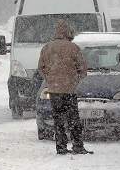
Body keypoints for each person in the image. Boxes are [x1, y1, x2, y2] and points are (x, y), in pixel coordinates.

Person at [38, 20, 91, 155]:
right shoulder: (73, 48)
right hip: (69, 90)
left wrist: (50, 79)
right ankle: (77, 145)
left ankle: (61, 146)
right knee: (73, 118)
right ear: (68, 32)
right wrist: (75, 80)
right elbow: (83, 68)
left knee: (58, 119)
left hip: (54, 90)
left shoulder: (47, 48)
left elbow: (41, 68)